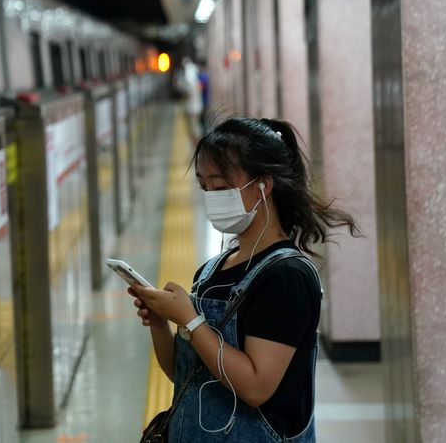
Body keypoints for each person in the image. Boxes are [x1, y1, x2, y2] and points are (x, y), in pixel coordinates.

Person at [130, 117, 359, 442]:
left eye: (221, 187)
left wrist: (191, 320)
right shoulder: (212, 271)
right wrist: (159, 323)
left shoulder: (287, 277)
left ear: (263, 186)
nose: (211, 197)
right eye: (204, 187)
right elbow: (187, 376)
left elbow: (255, 387)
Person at [179, 57, 203, 144]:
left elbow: (189, 94)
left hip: (193, 108)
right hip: (197, 106)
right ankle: (197, 143)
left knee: (194, 127)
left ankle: (196, 143)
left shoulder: (190, 81)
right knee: (196, 125)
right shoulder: (196, 80)